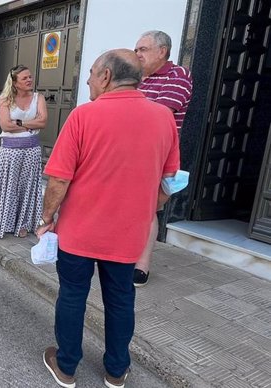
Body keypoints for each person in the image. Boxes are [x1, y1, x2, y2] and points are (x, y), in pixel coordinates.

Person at [35, 49, 180, 388]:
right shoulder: (163, 118)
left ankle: (67, 366)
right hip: (128, 235)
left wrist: (45, 218)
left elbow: (59, 179)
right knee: (121, 300)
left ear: (106, 77)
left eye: (90, 73)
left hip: (79, 233)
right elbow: (171, 180)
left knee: (72, 295)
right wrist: (148, 209)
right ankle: (116, 371)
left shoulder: (83, 116)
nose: (86, 80)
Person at [133, 30, 193, 287]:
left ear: (162, 51)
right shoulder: (135, 78)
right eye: (135, 50)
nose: (137, 54)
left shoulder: (177, 76)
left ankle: (141, 265)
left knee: (147, 209)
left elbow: (160, 113)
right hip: (125, 151)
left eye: (142, 49)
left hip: (155, 155)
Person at [0, 64, 47, 239]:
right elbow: (5, 126)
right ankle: (5, 222)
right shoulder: (5, 100)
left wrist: (19, 123)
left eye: (30, 77)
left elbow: (42, 122)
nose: (29, 80)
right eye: (25, 78)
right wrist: (29, 123)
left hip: (32, 150)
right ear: (15, 82)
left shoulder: (38, 98)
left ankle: (23, 224)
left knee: (27, 188)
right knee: (9, 187)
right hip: (10, 152)